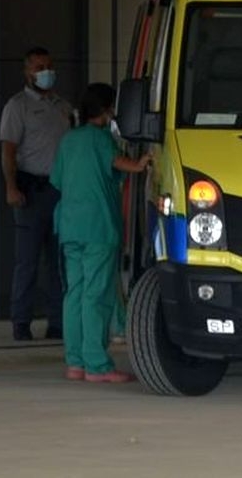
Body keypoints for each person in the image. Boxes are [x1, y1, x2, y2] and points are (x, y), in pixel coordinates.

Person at [51, 83, 152, 383]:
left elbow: (57, 180)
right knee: (96, 295)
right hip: (99, 228)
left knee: (75, 294)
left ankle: (75, 363)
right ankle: (97, 365)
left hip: (70, 227)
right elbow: (120, 164)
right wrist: (140, 164)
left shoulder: (69, 140)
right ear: (107, 110)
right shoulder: (102, 139)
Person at [0, 46, 73, 341]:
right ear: (27, 72)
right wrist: (11, 186)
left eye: (49, 66)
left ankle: (56, 322)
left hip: (60, 191)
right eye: (39, 67)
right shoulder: (17, 107)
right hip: (30, 190)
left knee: (57, 262)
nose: (46, 72)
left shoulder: (63, 106)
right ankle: (21, 322)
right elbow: (8, 150)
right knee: (27, 261)